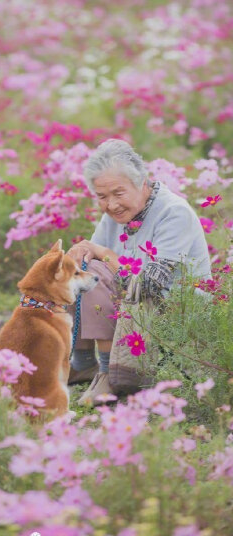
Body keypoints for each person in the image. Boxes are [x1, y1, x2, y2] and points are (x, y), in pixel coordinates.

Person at [66, 138, 211, 405]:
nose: (111, 205)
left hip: (175, 308)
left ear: (142, 182)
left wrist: (106, 254)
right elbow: (90, 261)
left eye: (118, 193)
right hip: (131, 302)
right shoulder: (114, 214)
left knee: (95, 275)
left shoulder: (173, 212)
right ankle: (82, 362)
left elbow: (150, 286)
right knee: (76, 272)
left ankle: (108, 373)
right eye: (102, 196)